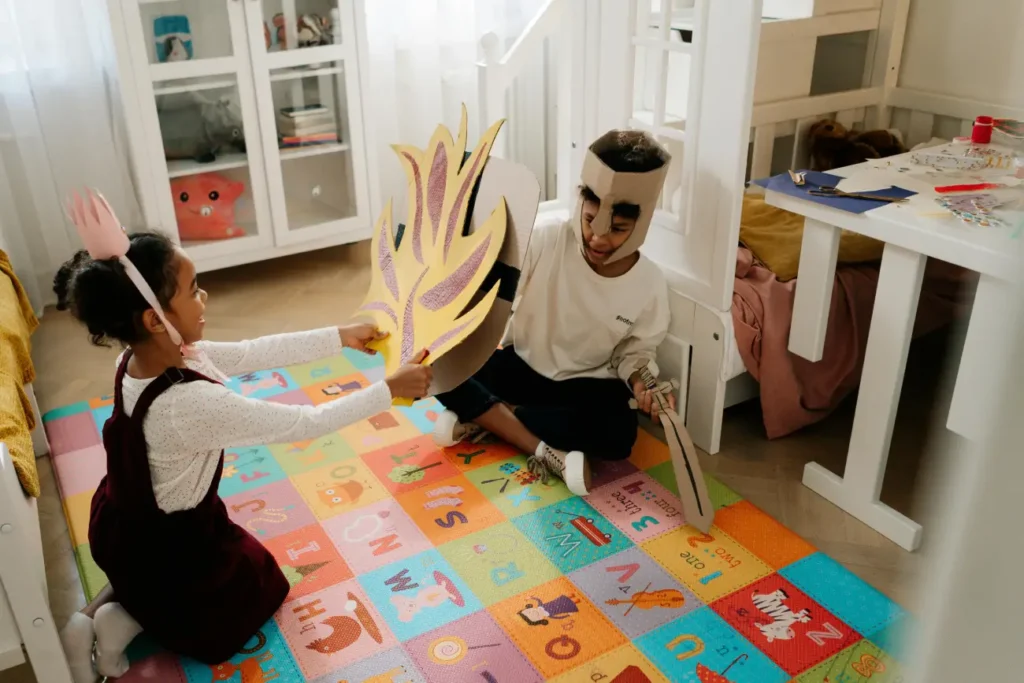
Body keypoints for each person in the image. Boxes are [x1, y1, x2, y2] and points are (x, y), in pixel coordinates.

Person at [54, 223, 431, 682]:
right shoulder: (189, 403)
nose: (204, 298)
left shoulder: (136, 361)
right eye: (193, 291)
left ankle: (89, 622)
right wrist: (387, 391)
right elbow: (304, 424)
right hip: (175, 544)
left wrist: (340, 335)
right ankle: (125, 621)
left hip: (122, 522)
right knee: (258, 589)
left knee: (164, 568)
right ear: (154, 319)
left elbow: (254, 351)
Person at [433, 129, 674, 496]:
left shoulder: (649, 283)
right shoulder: (545, 240)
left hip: (585, 386)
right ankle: (542, 447)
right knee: (436, 363)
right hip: (522, 367)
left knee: (619, 436)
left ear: (640, 226)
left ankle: (491, 418)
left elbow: (635, 354)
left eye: (617, 229)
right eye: (590, 219)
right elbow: (495, 298)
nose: (597, 237)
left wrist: (644, 384)